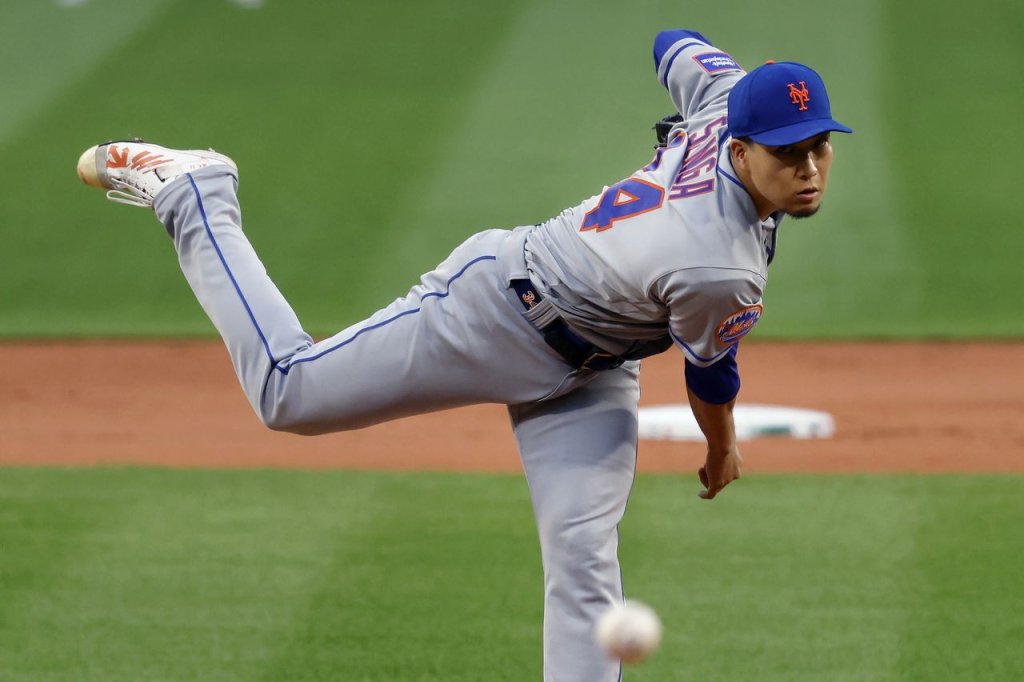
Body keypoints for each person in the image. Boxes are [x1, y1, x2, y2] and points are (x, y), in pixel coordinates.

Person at [76, 28, 850, 682]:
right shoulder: (719, 265)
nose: (809, 171)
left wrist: (710, 108)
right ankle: (197, 195)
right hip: (497, 312)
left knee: (584, 559)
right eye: (789, 156)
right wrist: (722, 449)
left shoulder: (725, 104)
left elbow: (674, 44)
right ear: (742, 150)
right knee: (290, 395)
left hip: (595, 368)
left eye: (818, 149)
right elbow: (711, 373)